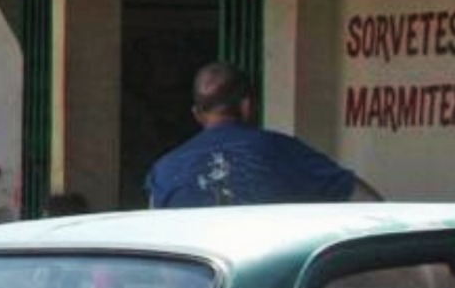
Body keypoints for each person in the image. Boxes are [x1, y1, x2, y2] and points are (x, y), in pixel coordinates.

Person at [145, 62, 380, 209]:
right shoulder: (282, 150)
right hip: (271, 286)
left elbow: (157, 245)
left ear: (197, 114)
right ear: (247, 106)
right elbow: (367, 203)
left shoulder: (164, 169)